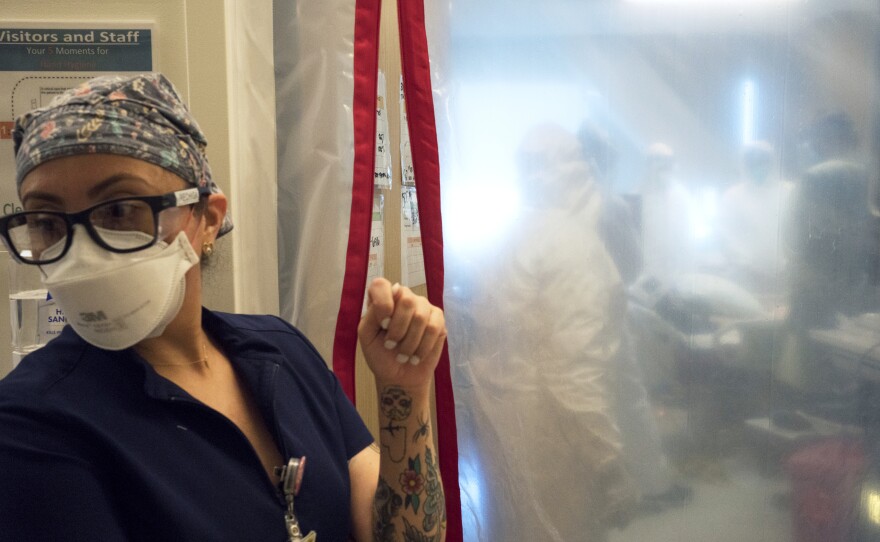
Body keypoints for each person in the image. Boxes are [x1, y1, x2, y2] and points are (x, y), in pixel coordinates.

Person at [0, 73, 447, 542]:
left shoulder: (281, 353)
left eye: (118, 210)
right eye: (47, 221)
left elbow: (406, 536)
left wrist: (405, 389)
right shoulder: (31, 425)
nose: (82, 250)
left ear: (207, 219)